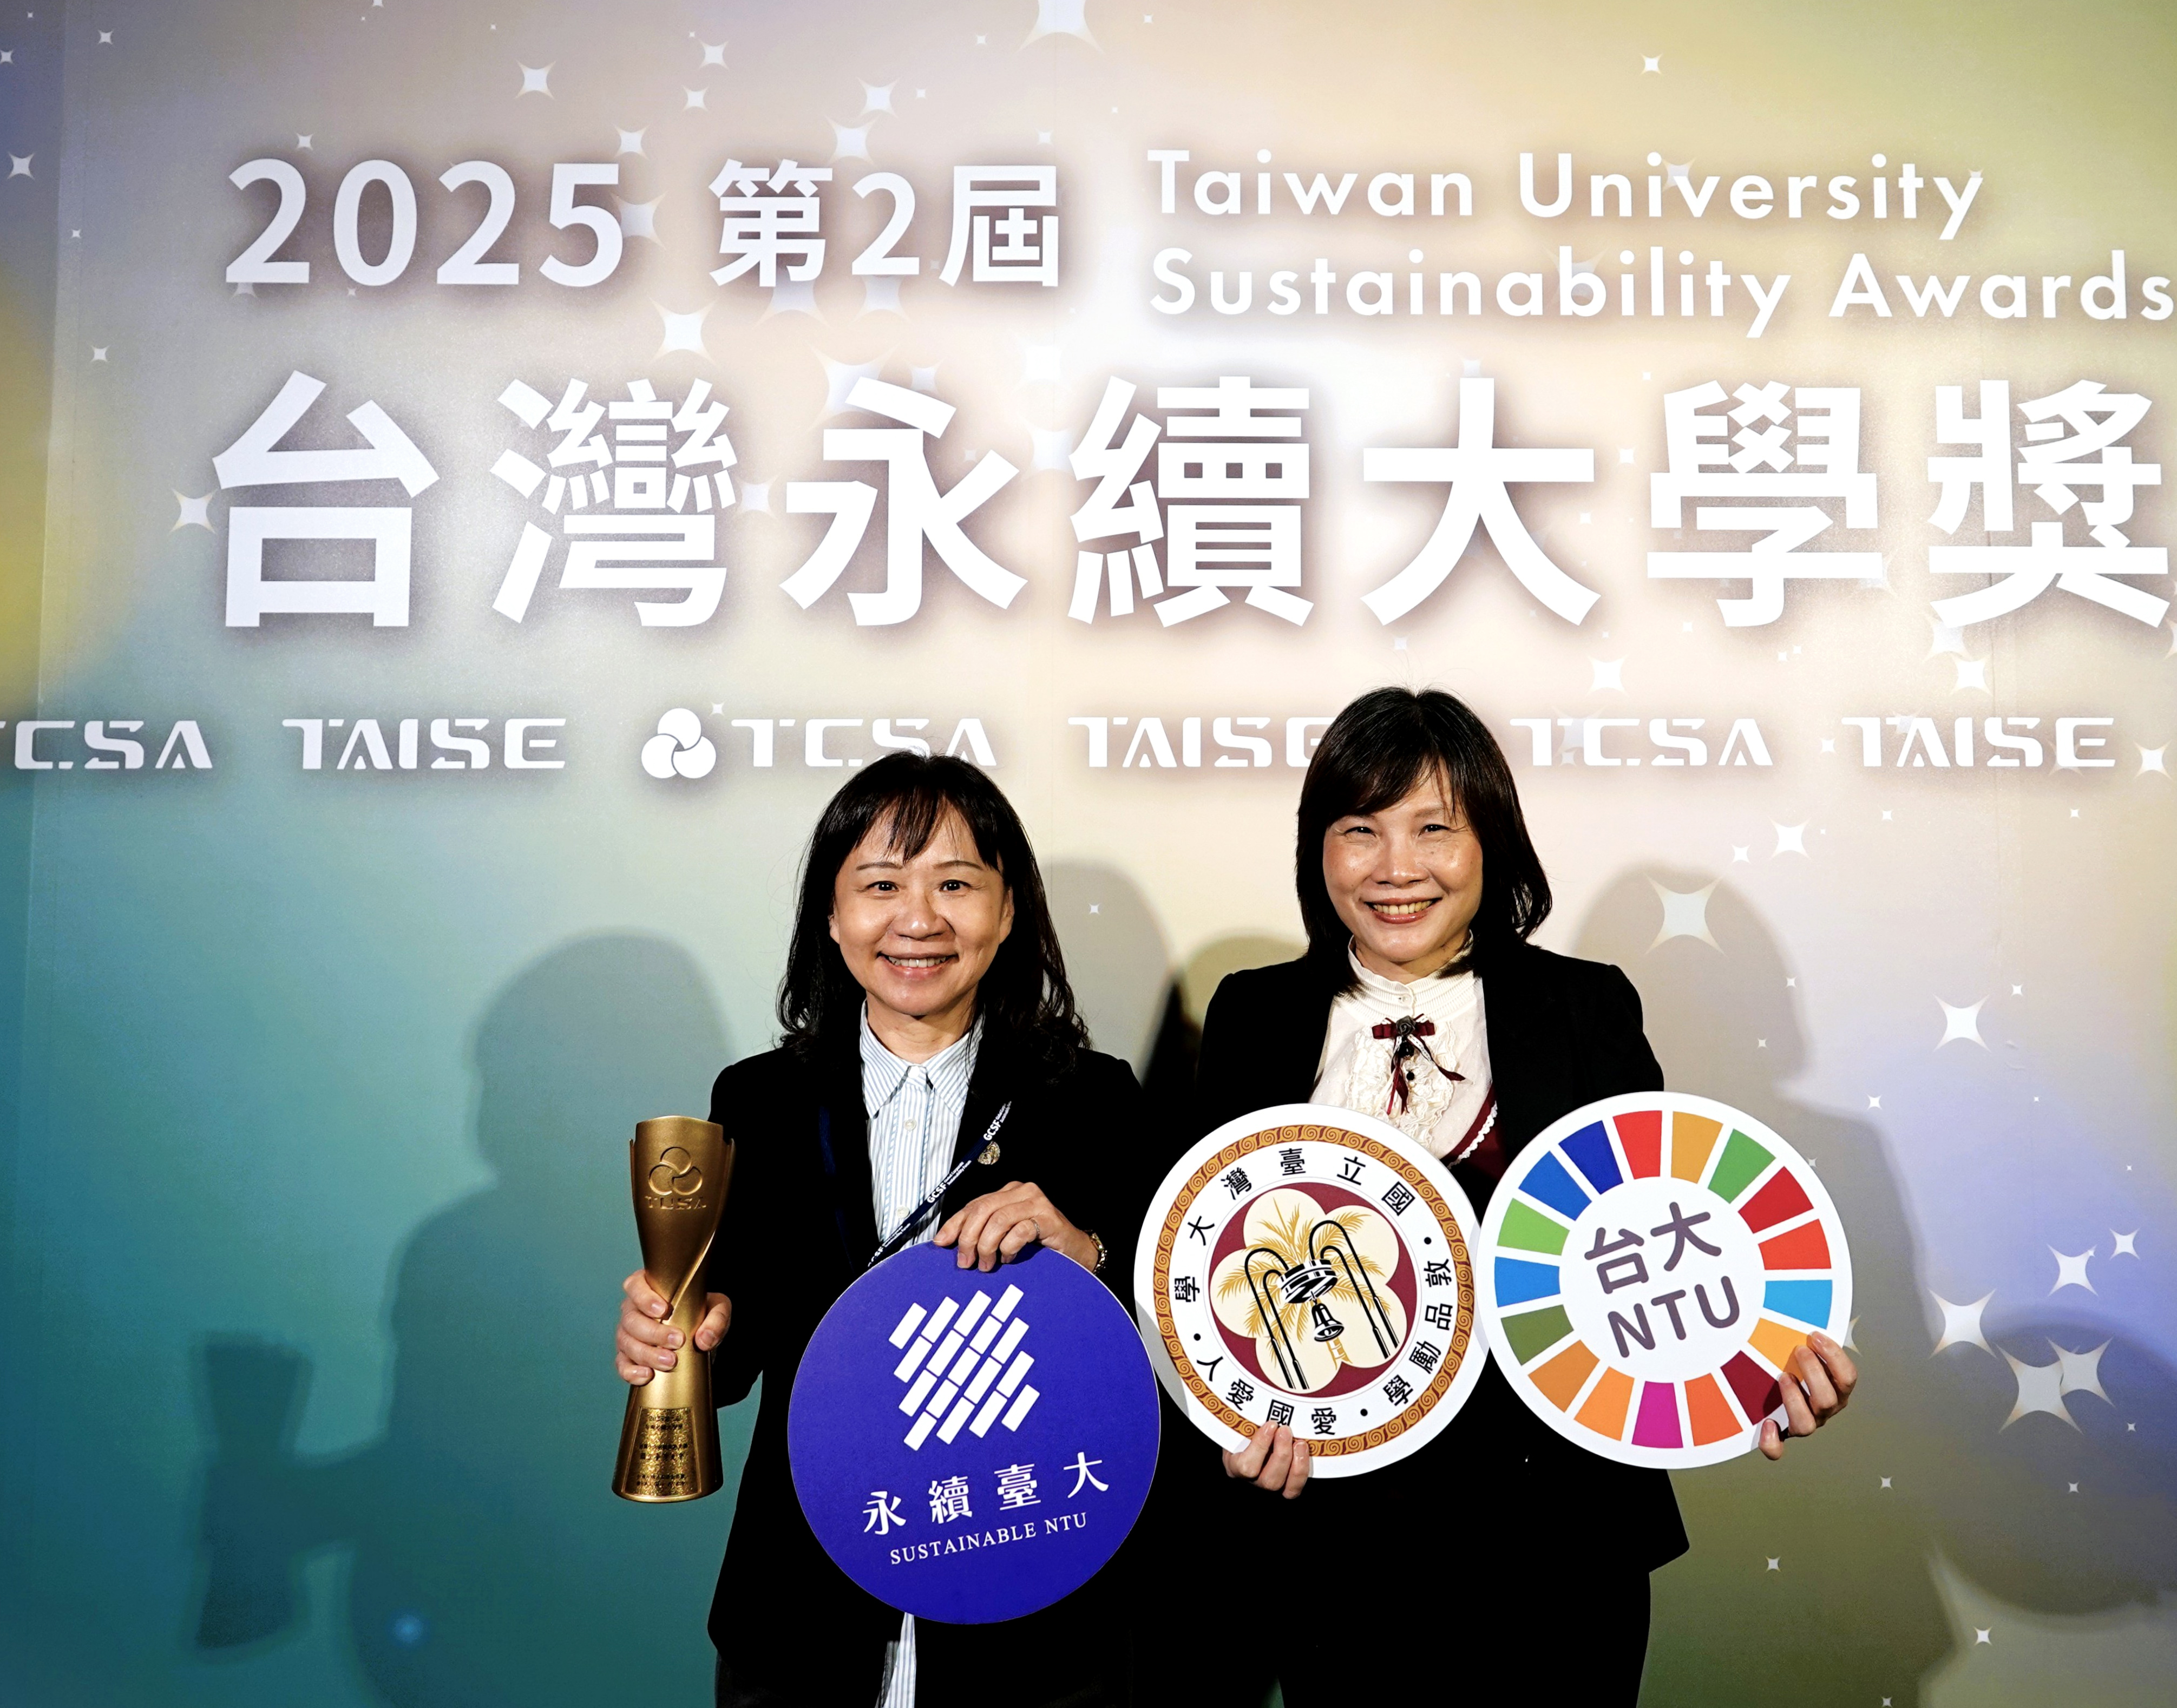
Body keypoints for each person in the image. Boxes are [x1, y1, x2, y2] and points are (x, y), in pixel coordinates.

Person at [1188, 688, 1857, 1706]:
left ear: (1490, 841)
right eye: (1360, 829)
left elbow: (1659, 1231)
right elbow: (1208, 1269)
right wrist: (1232, 1421)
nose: (1396, 867)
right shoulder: (1251, 1014)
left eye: (1433, 829)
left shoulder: (1584, 1007)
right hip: (1331, 1539)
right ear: (1316, 847)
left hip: (1556, 1537)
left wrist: (1766, 1366)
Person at [613, 753, 1149, 1708]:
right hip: (803, 1609)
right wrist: (679, 1333)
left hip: (1024, 1599)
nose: (919, 919)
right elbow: (731, 1353)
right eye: (881, 885)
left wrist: (1088, 1255)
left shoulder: (1090, 1098)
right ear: (831, 913)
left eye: (956, 884)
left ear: (1009, 909)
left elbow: (1156, 1350)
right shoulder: (761, 1099)